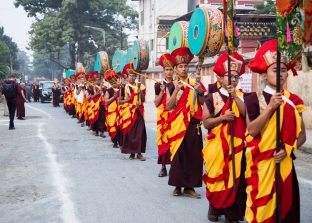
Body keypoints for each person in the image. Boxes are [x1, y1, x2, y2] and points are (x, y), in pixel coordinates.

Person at [244, 39, 306, 223]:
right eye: (274, 69)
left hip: (285, 163)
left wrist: (287, 149)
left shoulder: (294, 101)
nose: (280, 73)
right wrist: (270, 107)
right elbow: (252, 130)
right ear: (263, 75)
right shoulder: (254, 99)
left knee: (287, 211)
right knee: (263, 213)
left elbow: (302, 135)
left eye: (284, 69)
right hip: (261, 166)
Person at [202, 52, 247, 223]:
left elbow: (247, 114)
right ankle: (214, 206)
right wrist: (222, 118)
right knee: (217, 178)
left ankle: (232, 214)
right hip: (217, 147)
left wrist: (234, 96)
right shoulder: (212, 97)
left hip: (238, 146)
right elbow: (206, 123)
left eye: (236, 77)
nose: (233, 80)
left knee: (237, 179)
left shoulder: (243, 96)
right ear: (220, 78)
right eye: (230, 76)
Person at [165, 47, 206, 198]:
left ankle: (190, 187)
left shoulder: (195, 82)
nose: (183, 69)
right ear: (176, 69)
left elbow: (201, 102)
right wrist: (176, 90)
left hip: (193, 124)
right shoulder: (171, 85)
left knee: (194, 156)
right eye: (180, 66)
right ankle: (177, 185)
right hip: (177, 125)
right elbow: (169, 106)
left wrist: (200, 91)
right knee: (178, 155)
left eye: (185, 66)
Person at [154, 53, 175, 177]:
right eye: (167, 70)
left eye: (171, 70)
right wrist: (162, 92)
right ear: (163, 71)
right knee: (162, 141)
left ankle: (174, 166)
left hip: (173, 115)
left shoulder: (177, 84)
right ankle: (163, 167)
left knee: (173, 140)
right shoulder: (158, 84)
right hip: (162, 116)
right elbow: (156, 103)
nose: (169, 72)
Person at [120, 63, 147, 161]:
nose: (132, 77)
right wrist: (127, 101)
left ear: (136, 77)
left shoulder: (141, 86)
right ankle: (131, 153)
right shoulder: (125, 87)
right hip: (128, 111)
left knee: (140, 132)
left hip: (138, 111)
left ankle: (139, 153)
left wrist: (140, 92)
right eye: (130, 76)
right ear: (128, 77)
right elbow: (120, 101)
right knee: (130, 132)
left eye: (133, 76)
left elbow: (143, 99)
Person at [104, 70, 122, 148]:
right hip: (112, 112)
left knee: (121, 127)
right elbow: (106, 101)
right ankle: (115, 142)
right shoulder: (108, 91)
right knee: (112, 126)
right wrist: (114, 97)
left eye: (115, 81)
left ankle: (122, 142)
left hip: (121, 111)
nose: (114, 83)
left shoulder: (122, 89)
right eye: (112, 82)